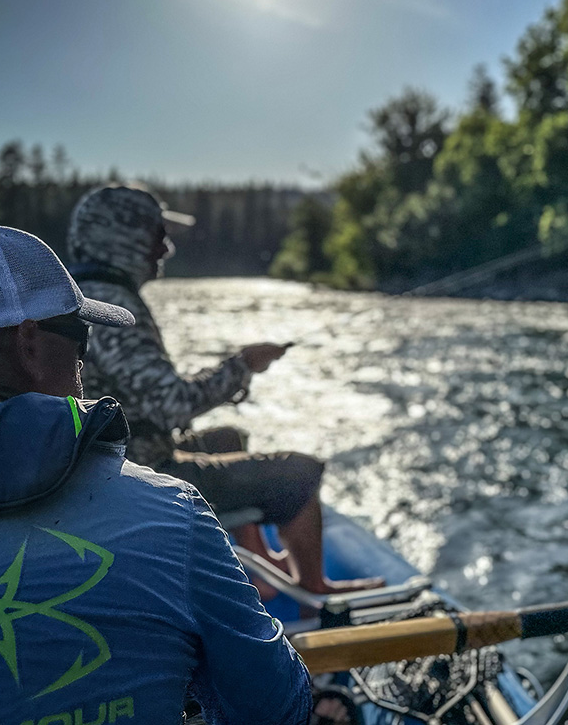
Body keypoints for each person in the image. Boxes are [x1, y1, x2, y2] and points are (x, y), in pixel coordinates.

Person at [0, 222, 311, 725]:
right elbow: (279, 711)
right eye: (80, 339)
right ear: (30, 345)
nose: (84, 366)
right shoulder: (170, 516)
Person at [66, 184, 380, 596]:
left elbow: (149, 395)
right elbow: (172, 404)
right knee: (300, 471)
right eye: (157, 236)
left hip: (113, 462)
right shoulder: (113, 308)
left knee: (230, 438)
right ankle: (315, 592)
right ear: (122, 238)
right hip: (140, 474)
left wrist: (234, 372)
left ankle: (260, 570)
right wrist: (243, 366)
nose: (165, 250)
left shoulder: (84, 296)